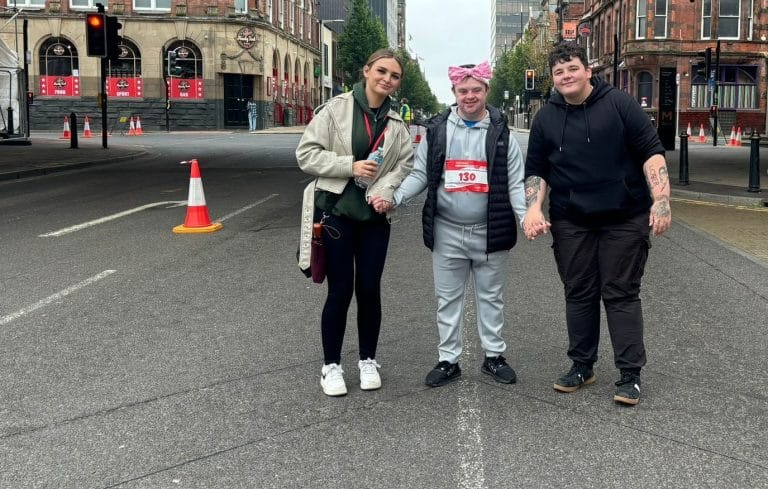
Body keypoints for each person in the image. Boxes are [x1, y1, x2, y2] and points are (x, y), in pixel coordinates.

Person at [523, 42, 672, 406]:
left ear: (588, 71)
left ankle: (630, 374)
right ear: (553, 79)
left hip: (624, 216)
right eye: (559, 72)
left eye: (572, 68)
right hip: (572, 219)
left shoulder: (620, 104)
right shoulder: (545, 118)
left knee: (620, 293)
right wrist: (533, 208)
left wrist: (662, 200)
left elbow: (651, 153)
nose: (566, 76)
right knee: (578, 292)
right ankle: (582, 365)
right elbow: (537, 170)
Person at [372, 61, 527, 387]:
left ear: (486, 91)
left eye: (476, 90)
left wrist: (526, 216)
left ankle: (494, 356)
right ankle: (448, 360)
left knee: (492, 298)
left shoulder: (502, 134)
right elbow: (420, 175)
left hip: (490, 231)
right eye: (463, 90)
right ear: (454, 92)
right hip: (448, 231)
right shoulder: (437, 131)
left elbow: (515, 182)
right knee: (448, 300)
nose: (469, 96)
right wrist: (395, 198)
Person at [296, 49, 414, 397]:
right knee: (340, 290)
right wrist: (349, 166)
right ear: (366, 71)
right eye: (382, 71)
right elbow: (306, 154)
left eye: (394, 76)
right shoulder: (335, 109)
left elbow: (404, 164)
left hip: (375, 218)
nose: (387, 79)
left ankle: (368, 360)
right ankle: (331, 365)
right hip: (337, 214)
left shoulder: (396, 123)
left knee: (369, 289)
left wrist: (386, 190)